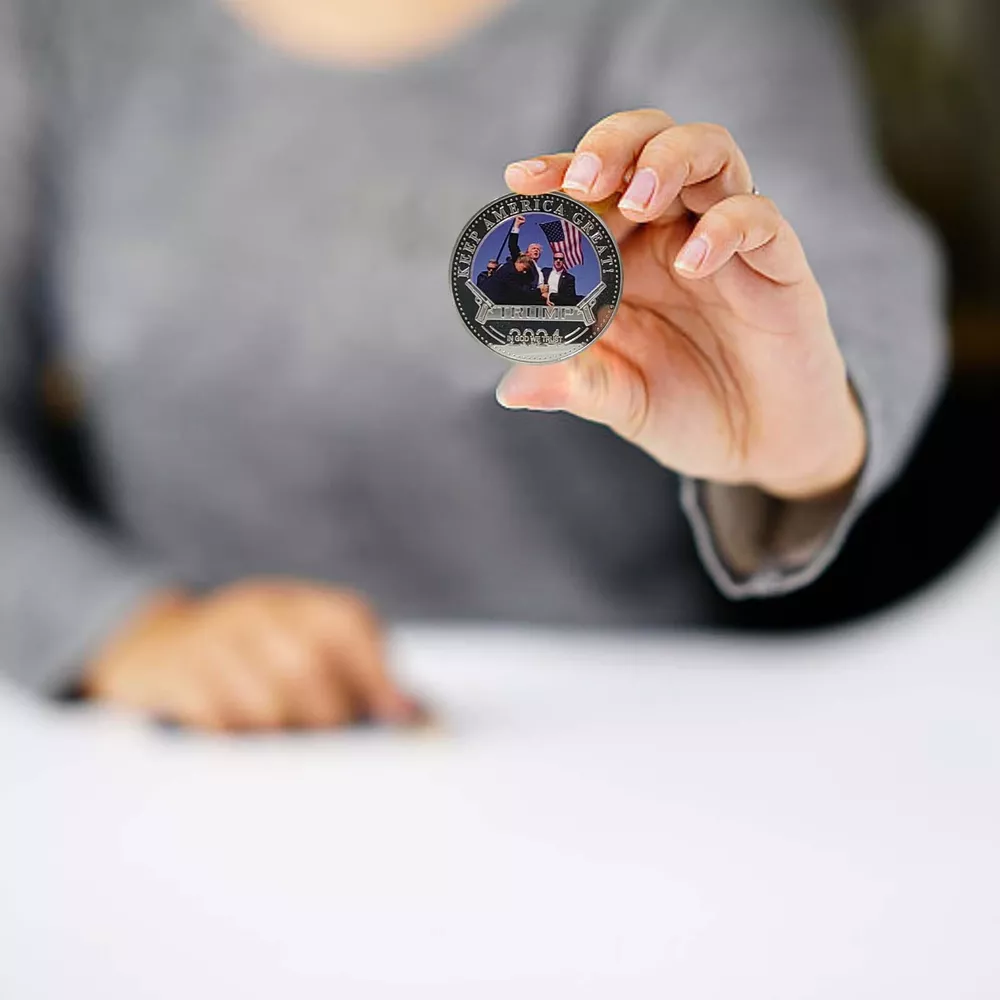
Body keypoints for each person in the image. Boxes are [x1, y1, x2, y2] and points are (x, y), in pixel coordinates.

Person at [0, 0, 946, 731]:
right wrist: (119, 626)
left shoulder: (697, 18)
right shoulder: (67, 28)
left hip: (606, 747)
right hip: (182, 761)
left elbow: (849, 269)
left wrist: (811, 429)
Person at [507, 215, 545, 291]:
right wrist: (517, 225)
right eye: (533, 248)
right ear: (527, 252)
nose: (536, 250)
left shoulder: (540, 270)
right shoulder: (522, 260)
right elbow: (512, 245)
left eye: (538, 249)